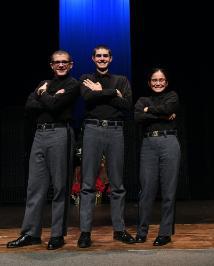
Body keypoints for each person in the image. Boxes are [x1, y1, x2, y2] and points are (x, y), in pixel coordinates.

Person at [6, 50, 79, 250]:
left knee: (60, 187)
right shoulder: (42, 83)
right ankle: (31, 233)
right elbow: (29, 106)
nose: (61, 65)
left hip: (60, 134)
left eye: (65, 62)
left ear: (71, 65)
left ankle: (57, 235)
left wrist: (44, 96)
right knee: (34, 188)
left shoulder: (73, 85)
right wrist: (50, 98)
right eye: (57, 62)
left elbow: (56, 107)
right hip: (40, 135)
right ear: (51, 65)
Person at [77, 44, 135, 248]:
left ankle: (119, 230)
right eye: (98, 56)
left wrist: (102, 91)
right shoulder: (86, 78)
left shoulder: (121, 80)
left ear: (111, 59)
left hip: (115, 130)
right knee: (88, 185)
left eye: (105, 56)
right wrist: (113, 94)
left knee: (117, 184)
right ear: (93, 58)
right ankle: (85, 232)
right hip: (92, 130)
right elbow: (87, 97)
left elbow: (127, 105)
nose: (102, 59)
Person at [134, 68, 180, 246]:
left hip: (169, 142)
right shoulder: (142, 100)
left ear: (166, 82)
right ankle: (142, 231)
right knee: (146, 190)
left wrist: (149, 111)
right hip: (149, 145)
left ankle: (165, 232)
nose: (158, 83)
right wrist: (162, 114)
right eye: (154, 80)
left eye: (161, 80)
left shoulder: (172, 96)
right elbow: (138, 117)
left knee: (169, 190)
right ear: (149, 83)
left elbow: (169, 107)